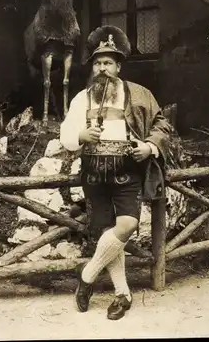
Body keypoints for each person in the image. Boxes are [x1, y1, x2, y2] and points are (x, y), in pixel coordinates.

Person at [60, 25, 171, 321]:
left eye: (108, 62)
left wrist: (149, 147)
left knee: (126, 226)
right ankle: (122, 295)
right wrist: (82, 135)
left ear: (118, 66)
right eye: (98, 63)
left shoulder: (139, 94)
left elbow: (162, 125)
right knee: (108, 233)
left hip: (127, 173)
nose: (103, 68)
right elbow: (65, 135)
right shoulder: (82, 98)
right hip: (94, 176)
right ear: (93, 67)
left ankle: (87, 277)